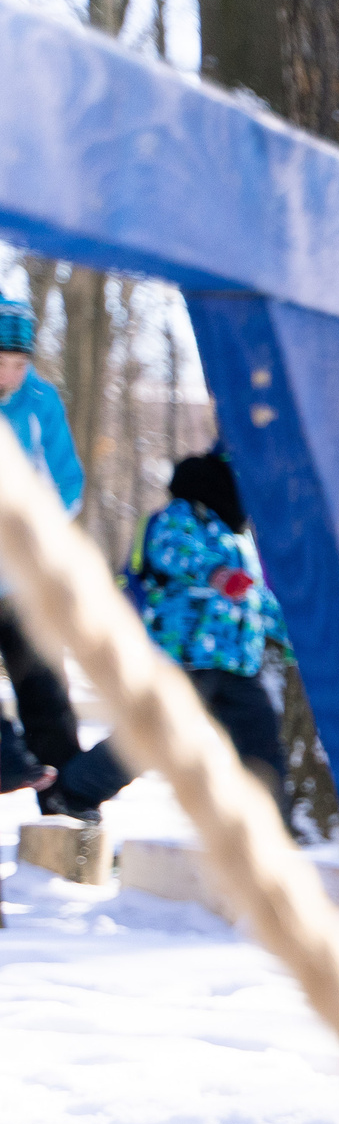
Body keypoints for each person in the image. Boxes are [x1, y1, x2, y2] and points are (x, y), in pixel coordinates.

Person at [49, 451, 289, 822]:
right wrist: (216, 574)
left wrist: (292, 638)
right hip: (185, 655)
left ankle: (274, 827)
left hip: (238, 662)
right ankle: (76, 791)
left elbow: (256, 597)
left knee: (262, 745)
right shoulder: (180, 516)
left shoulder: (238, 536)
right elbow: (172, 552)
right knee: (155, 735)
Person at [0, 297, 87, 797]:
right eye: (1, 364)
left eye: (20, 364)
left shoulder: (40, 402)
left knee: (44, 687)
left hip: (23, 572)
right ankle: (9, 761)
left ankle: (68, 799)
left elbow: (67, 482)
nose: (10, 375)